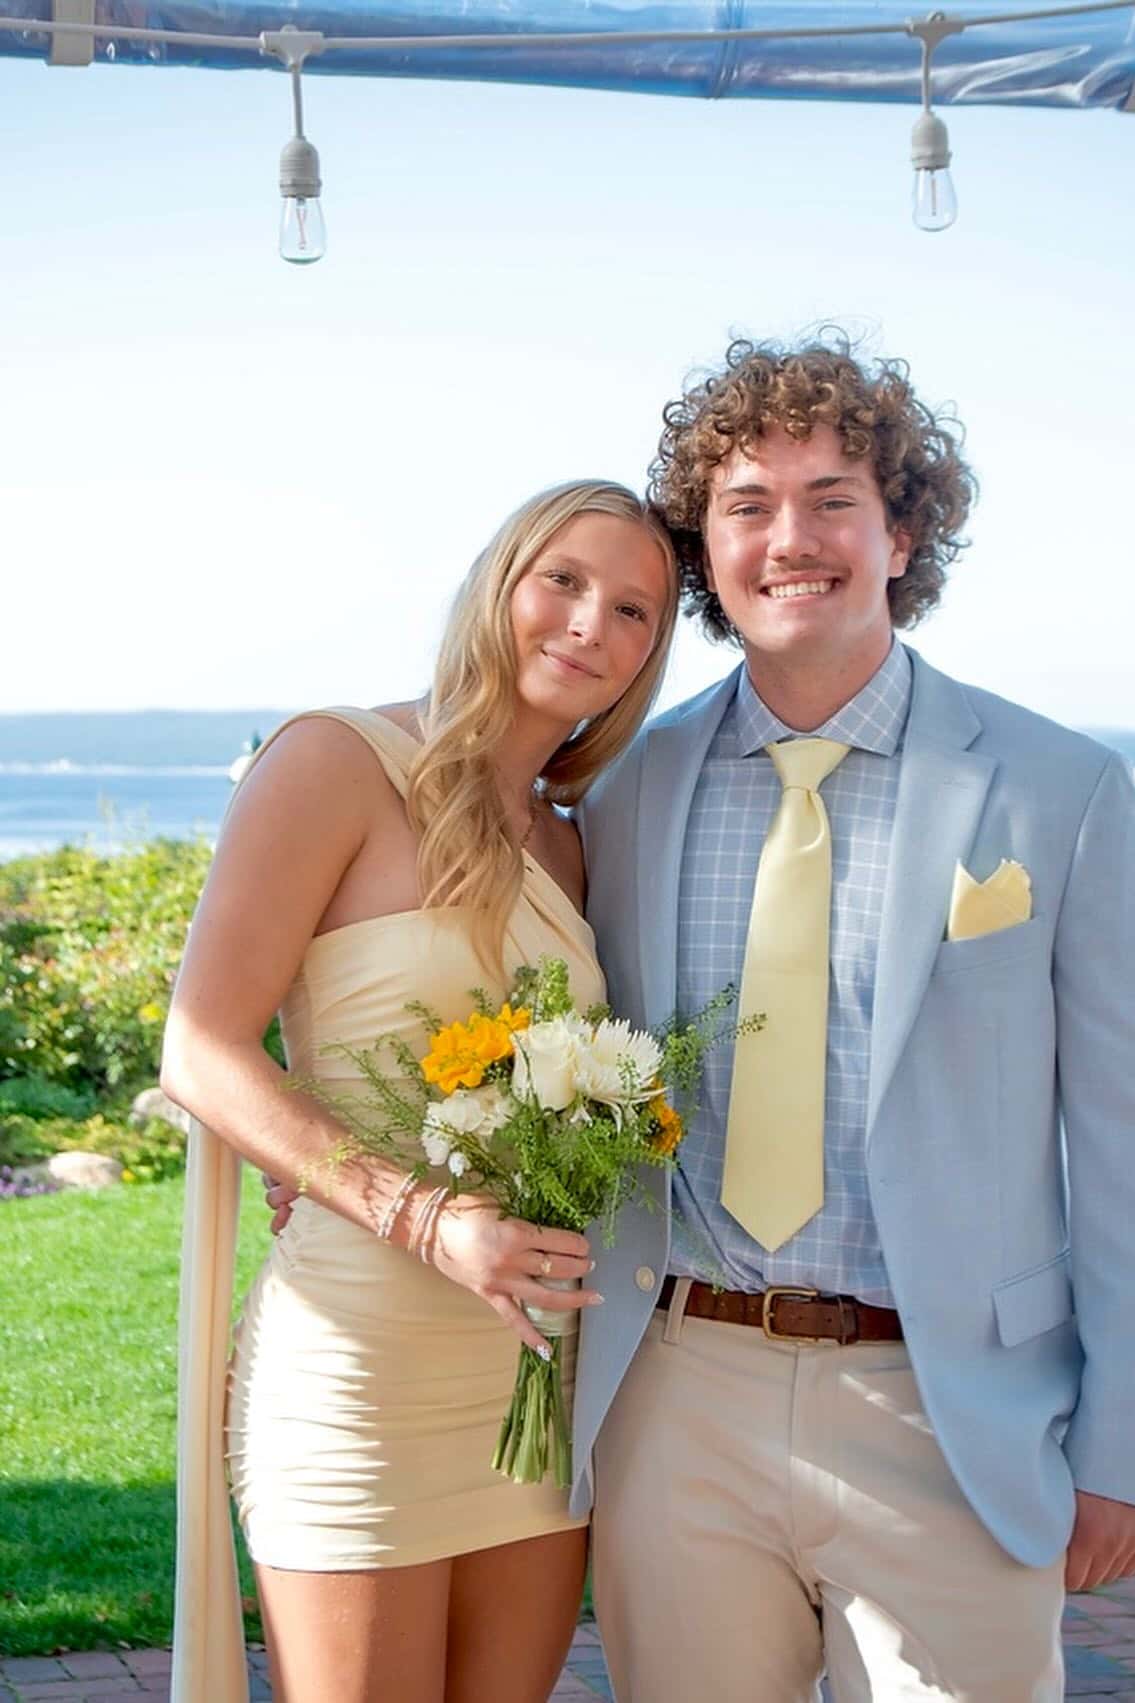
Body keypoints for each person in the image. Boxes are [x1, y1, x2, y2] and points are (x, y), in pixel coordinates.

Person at [570, 336, 1135, 1701]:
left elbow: (1122, 1140)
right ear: (704, 547)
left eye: (832, 498)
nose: (790, 539)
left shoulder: (1058, 787)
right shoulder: (622, 791)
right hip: (678, 1392)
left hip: (950, 1408)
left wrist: (1119, 1440)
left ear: (903, 531)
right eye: (746, 505)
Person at [162, 478, 678, 1703]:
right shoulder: (334, 760)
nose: (589, 624)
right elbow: (202, 1048)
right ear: (498, 583)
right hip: (360, 1361)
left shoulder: (571, 840)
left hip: (535, 1381)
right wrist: (425, 1215)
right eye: (563, 580)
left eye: (633, 610)